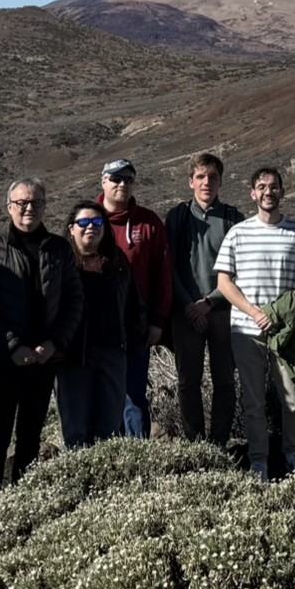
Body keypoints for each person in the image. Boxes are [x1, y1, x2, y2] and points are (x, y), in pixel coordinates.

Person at [0, 178, 83, 500]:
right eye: (21, 203)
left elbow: (74, 301)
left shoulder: (59, 249)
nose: (29, 208)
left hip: (43, 361)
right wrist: (12, 346)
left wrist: (55, 342)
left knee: (30, 438)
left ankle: (23, 506)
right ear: (9, 207)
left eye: (35, 202)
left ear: (44, 206)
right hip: (3, 363)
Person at [215, 167, 295, 482]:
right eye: (261, 187)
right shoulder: (238, 233)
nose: (268, 192)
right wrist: (254, 313)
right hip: (246, 330)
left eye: (274, 186)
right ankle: (259, 459)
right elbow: (224, 282)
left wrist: (280, 312)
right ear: (253, 194)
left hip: (287, 332)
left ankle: (293, 453)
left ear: (282, 192)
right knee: (254, 401)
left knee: (293, 397)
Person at [164, 153, 244, 447]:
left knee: (225, 380)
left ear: (221, 181)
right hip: (185, 311)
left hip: (223, 310)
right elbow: (169, 266)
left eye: (212, 177)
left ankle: (219, 443)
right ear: (191, 182)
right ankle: (195, 444)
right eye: (200, 176)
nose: (206, 182)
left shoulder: (234, 219)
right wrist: (189, 305)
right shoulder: (177, 217)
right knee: (188, 381)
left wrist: (209, 302)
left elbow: (240, 269)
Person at [56, 200, 146, 447]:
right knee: (75, 430)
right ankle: (77, 469)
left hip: (112, 354)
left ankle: (105, 469)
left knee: (109, 428)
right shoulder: (61, 263)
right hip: (73, 357)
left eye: (97, 222)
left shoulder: (117, 262)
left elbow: (133, 304)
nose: (91, 227)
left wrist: (133, 341)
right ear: (71, 229)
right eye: (83, 222)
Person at [98, 159, 171, 438]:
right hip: (98, 329)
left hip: (136, 327)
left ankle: (137, 454)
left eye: (128, 179)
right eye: (116, 179)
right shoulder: (89, 219)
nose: (122, 184)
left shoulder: (149, 223)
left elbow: (163, 274)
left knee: (134, 394)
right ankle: (107, 451)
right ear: (103, 182)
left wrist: (157, 321)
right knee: (103, 393)